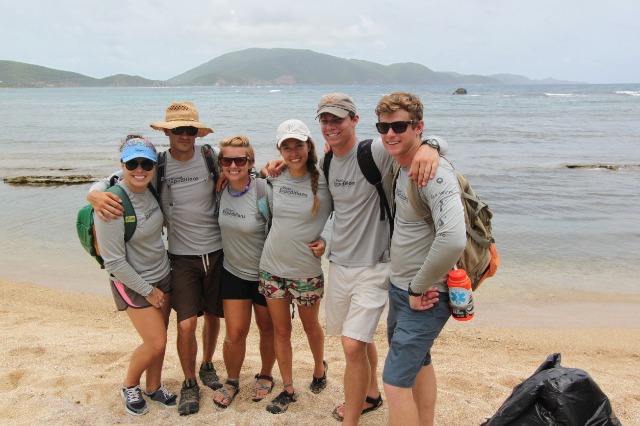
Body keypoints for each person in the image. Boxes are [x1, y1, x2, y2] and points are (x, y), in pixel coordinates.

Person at [264, 93, 445, 425]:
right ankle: (371, 394)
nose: (331, 126)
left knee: (350, 345)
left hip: (375, 265)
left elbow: (408, 143)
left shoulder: (375, 151)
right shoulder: (327, 162)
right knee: (356, 340)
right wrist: (278, 165)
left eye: (338, 119)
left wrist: (432, 146)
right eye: (325, 120)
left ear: (355, 120)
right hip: (339, 264)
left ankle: (351, 418)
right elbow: (317, 195)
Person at [88, 101, 224, 416]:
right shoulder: (147, 173)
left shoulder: (206, 158)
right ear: (167, 133)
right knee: (171, 334)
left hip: (183, 265)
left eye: (190, 129)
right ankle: (151, 384)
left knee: (198, 322)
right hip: (161, 269)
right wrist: (92, 193)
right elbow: (115, 180)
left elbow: (242, 165)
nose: (184, 135)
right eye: (178, 129)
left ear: (197, 133)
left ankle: (163, 382)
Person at [376, 91, 466, 426]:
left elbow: (453, 239)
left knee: (394, 382)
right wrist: (433, 144)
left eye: (399, 126)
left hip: (426, 294)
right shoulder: (403, 164)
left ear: (418, 127)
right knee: (418, 364)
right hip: (402, 289)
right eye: (383, 127)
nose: (390, 134)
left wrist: (417, 288)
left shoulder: (434, 172)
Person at [93, 136, 176, 416]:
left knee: (160, 339)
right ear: (122, 165)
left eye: (146, 164)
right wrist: (148, 290)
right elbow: (114, 262)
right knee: (156, 342)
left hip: (162, 275)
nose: (139, 169)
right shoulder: (111, 203)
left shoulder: (150, 186)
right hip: (133, 283)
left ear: (154, 166)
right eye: (132, 164)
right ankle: (129, 384)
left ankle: (154, 386)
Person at [259, 120, 332, 414]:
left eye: (298, 145)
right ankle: (288, 388)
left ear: (308, 145)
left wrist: (327, 241)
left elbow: (349, 217)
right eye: (286, 147)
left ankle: (319, 369)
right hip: (271, 268)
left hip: (306, 272)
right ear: (279, 150)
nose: (293, 152)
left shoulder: (326, 179)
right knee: (281, 331)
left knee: (311, 327)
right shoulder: (274, 177)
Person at [212, 135, 277, 409]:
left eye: (240, 160)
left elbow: (289, 221)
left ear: (251, 163)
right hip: (233, 272)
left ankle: (266, 375)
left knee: (267, 330)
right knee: (235, 333)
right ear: (220, 163)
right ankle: (232, 380)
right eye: (227, 160)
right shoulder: (219, 190)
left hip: (266, 274)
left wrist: (317, 241)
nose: (233, 165)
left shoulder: (264, 190)